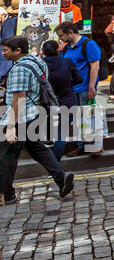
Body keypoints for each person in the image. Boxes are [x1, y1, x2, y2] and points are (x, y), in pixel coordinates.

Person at [0, 37, 74, 205]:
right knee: (37, 148)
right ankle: (62, 179)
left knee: (5, 156)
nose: (3, 54)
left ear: (17, 51)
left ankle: (7, 194)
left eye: (5, 50)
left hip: (20, 116)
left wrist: (11, 127)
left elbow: (18, 99)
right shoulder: (37, 62)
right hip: (34, 114)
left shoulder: (19, 69)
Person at [54, 21, 99, 158]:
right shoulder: (67, 48)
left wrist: (91, 86)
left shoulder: (88, 44)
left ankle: (93, 146)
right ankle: (82, 145)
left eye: (61, 36)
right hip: (72, 88)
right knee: (80, 117)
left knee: (87, 116)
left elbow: (95, 65)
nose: (60, 39)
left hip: (85, 87)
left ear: (71, 33)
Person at [41, 39, 81, 161]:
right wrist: (68, 85)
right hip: (67, 99)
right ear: (58, 49)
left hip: (46, 102)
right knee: (60, 133)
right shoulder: (67, 62)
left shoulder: (40, 64)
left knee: (47, 130)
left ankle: (50, 163)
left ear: (43, 51)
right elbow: (79, 79)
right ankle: (55, 164)